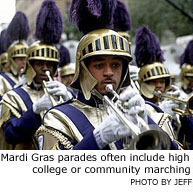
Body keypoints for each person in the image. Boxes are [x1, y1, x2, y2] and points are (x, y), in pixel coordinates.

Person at [36, 0, 181, 150]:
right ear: (84, 69)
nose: (109, 73)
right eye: (99, 65)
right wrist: (97, 138)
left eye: (116, 65)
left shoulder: (150, 111)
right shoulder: (59, 117)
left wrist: (148, 122)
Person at [0, 0, 72, 150]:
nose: (45, 69)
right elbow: (10, 135)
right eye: (39, 63)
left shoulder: (65, 92)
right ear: (29, 65)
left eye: (50, 64)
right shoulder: (13, 97)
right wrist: (35, 110)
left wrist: (72, 102)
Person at [134, 26, 193, 150]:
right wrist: (160, 113)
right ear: (143, 84)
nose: (159, 85)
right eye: (153, 82)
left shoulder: (170, 103)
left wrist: (186, 114)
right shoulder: (138, 108)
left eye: (162, 81)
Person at [0, 12, 29, 100]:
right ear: (11, 60)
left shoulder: (30, 80)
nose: (24, 62)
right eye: (20, 59)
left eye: (26, 59)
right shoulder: (2, 80)